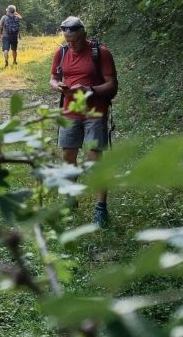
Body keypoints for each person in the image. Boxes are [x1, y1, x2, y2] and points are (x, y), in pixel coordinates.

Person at [48, 16, 117, 227]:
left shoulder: (100, 52)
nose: (71, 45)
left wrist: (90, 90)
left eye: (75, 41)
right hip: (70, 111)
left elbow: (112, 85)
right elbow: (52, 77)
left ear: (84, 35)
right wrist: (57, 86)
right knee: (68, 157)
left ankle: (100, 208)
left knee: (95, 158)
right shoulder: (61, 52)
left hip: (95, 112)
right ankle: (70, 197)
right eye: (68, 41)